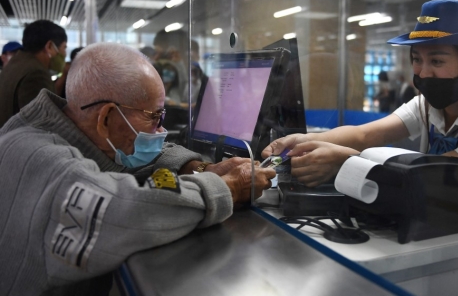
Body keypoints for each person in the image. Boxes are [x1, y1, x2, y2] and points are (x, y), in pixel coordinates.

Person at [0, 42, 275, 295]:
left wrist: (202, 168)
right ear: (106, 117)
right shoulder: (37, 156)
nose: (161, 130)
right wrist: (229, 187)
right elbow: (123, 210)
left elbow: (146, 157)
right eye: (155, 118)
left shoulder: (78, 131)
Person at [263, 0, 458, 187]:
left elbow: (440, 172)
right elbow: (364, 135)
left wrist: (347, 161)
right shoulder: (427, 106)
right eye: (417, 59)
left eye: (437, 61)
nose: (423, 72)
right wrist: (302, 141)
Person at [0, 20, 67, 127]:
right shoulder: (36, 73)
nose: (64, 54)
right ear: (49, 46)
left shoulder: (16, 63)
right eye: (64, 47)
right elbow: (43, 125)